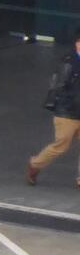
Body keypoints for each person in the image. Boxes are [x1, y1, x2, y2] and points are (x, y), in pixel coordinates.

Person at [27, 36, 80, 188]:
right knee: (61, 145)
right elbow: (59, 87)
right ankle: (35, 164)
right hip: (68, 112)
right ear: (77, 44)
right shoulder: (68, 62)